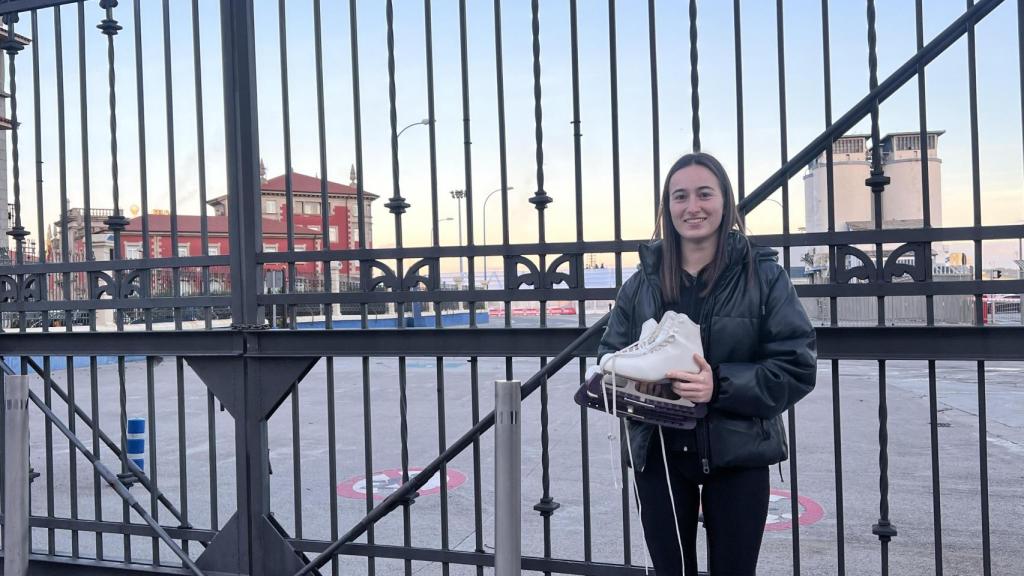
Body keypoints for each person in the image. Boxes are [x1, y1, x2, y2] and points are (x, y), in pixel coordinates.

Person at [598, 152, 817, 575]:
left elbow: (797, 365)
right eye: (680, 196)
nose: (692, 207)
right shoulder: (642, 281)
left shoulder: (764, 276)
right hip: (659, 454)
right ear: (667, 207)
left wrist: (719, 384)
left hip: (738, 455)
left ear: (725, 202)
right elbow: (609, 354)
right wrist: (636, 382)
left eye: (704, 194)